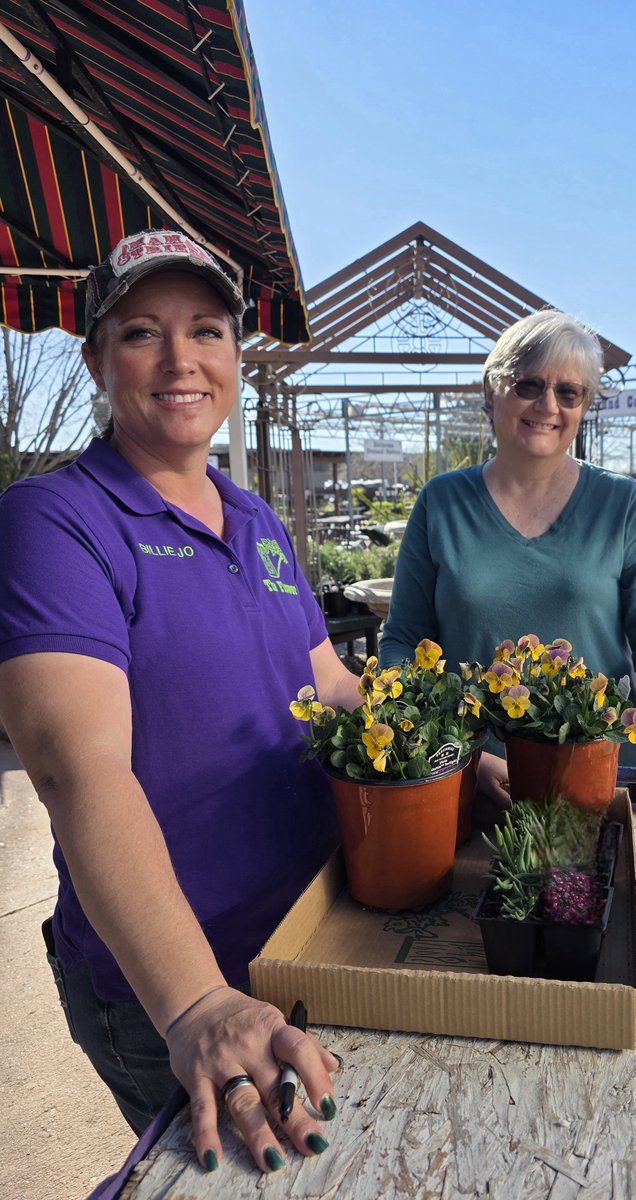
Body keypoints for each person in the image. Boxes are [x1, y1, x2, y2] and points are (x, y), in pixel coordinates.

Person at [0, 230, 361, 1176]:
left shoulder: (257, 520)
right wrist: (196, 1001)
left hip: (310, 937)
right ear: (93, 359)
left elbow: (327, 687)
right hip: (172, 986)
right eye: (141, 334)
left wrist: (452, 755)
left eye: (205, 329)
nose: (180, 360)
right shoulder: (55, 523)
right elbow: (78, 769)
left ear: (236, 355)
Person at [379, 308, 636, 826]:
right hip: (469, 782)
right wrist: (452, 750)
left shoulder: (618, 504)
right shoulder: (442, 503)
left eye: (569, 392)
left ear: (583, 406)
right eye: (528, 384)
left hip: (598, 781)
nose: (548, 405)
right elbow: (404, 637)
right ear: (492, 392)